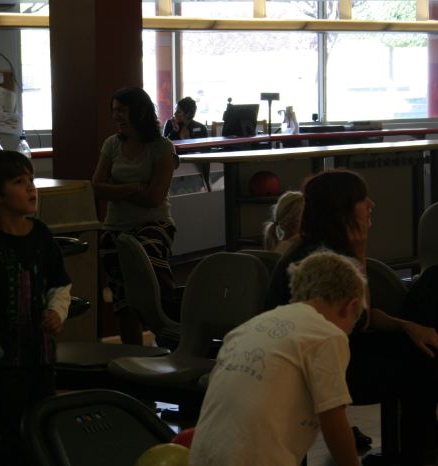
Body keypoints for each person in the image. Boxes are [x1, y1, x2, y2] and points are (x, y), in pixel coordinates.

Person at [267, 169, 438, 466]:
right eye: (362, 199)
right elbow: (361, 321)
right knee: (423, 363)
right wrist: (359, 252)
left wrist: (409, 326)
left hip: (323, 356)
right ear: (343, 210)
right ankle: (415, 453)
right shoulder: (325, 261)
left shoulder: (316, 248)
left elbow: (362, 318)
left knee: (420, 335)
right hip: (316, 368)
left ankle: (415, 449)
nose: (371, 204)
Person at [189, 251, 365, 466]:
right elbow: (334, 422)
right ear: (350, 306)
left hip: (200, 457)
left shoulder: (246, 328)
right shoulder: (327, 335)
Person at [0, 150, 72, 466]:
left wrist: (57, 312)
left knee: (43, 427)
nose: (31, 187)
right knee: (15, 435)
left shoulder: (41, 235)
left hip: (41, 357)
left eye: (31, 179)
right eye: (19, 182)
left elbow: (60, 285)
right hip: (1, 362)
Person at [92, 86, 177, 345]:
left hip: (153, 225)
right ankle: (133, 353)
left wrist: (115, 190)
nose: (115, 116)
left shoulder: (162, 147)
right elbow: (96, 188)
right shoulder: (112, 144)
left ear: (139, 112)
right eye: (113, 110)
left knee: (155, 287)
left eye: (121, 110)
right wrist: (134, 188)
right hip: (115, 227)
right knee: (122, 297)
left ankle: (170, 340)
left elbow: (154, 198)